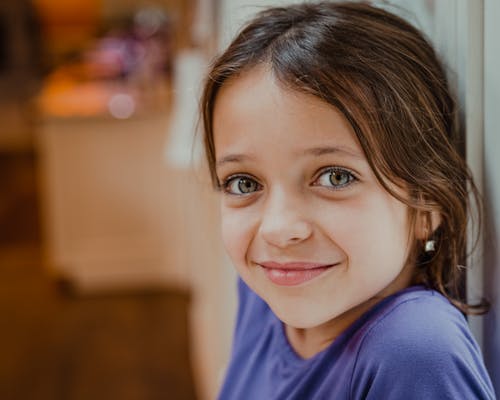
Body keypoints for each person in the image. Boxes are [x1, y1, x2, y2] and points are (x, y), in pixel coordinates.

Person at [200, 1, 496, 398]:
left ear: (426, 203)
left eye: (335, 177)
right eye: (244, 183)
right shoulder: (266, 291)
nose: (277, 229)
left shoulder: (415, 351)